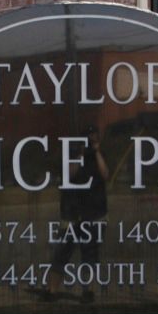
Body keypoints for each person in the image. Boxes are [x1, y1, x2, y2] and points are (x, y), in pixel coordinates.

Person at [46, 124, 109, 303]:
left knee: (90, 255)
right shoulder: (71, 156)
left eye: (94, 138)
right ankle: (52, 290)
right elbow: (69, 173)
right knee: (61, 253)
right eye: (88, 138)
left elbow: (105, 174)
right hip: (72, 214)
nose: (91, 141)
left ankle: (87, 291)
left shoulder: (99, 156)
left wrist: (96, 152)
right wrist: (80, 154)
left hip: (94, 213)